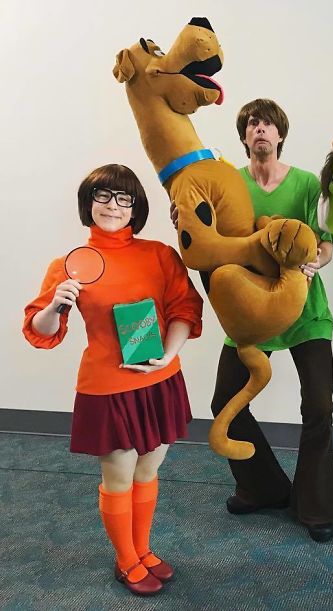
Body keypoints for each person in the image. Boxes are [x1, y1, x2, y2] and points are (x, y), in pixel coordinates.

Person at [23, 164, 203, 596]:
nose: (113, 206)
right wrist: (56, 305)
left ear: (136, 208)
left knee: (149, 469)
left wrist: (167, 357)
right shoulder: (69, 266)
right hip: (109, 387)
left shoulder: (159, 254)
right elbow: (40, 331)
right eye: (102, 195)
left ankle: (143, 549)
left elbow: (185, 307)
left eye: (124, 198)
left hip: (160, 380)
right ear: (88, 203)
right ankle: (126, 560)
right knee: (119, 476)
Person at [209, 99, 333, 543]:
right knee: (225, 400)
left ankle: (315, 505)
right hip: (252, 311)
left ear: (280, 134)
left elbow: (326, 243)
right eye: (251, 124)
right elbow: (212, 239)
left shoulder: (306, 184)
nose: (259, 129)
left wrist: (315, 263)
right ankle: (263, 487)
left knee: (319, 406)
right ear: (244, 136)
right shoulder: (230, 184)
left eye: (267, 124)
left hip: (305, 312)